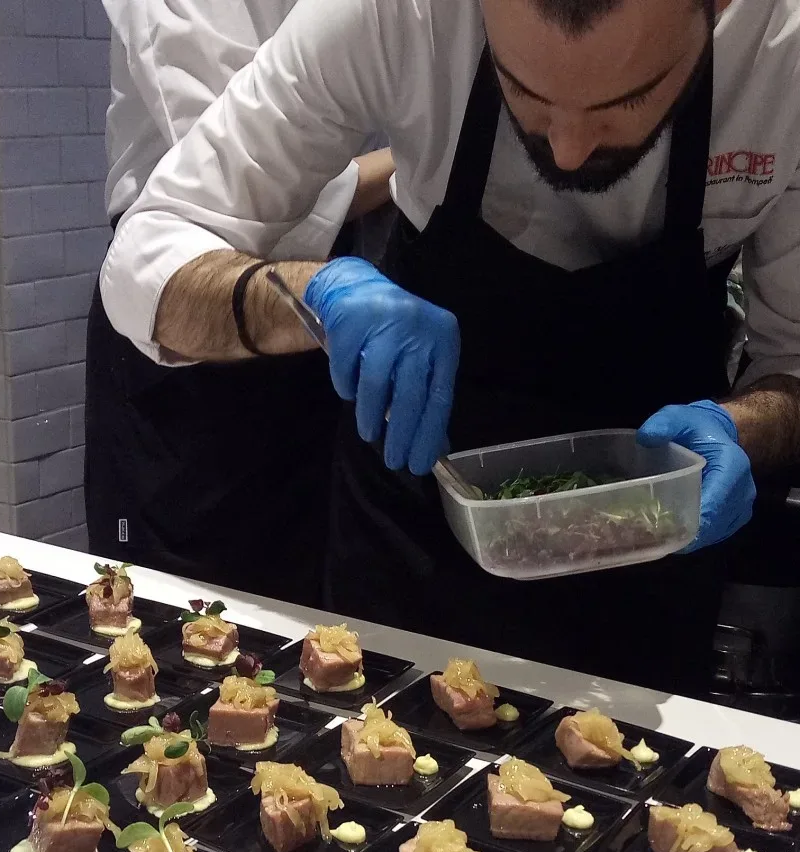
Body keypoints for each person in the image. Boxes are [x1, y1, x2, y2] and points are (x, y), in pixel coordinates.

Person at [100, 0, 800, 696]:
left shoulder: (785, 53)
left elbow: (792, 360)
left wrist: (748, 427)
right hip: (410, 541)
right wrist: (306, 296)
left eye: (627, 102)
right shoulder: (396, 14)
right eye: (521, 90)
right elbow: (145, 260)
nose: (567, 150)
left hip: (653, 554)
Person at [86, 0, 395, 605]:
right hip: (186, 322)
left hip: (305, 327)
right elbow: (245, 187)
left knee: (302, 601)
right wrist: (411, 162)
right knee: (173, 609)